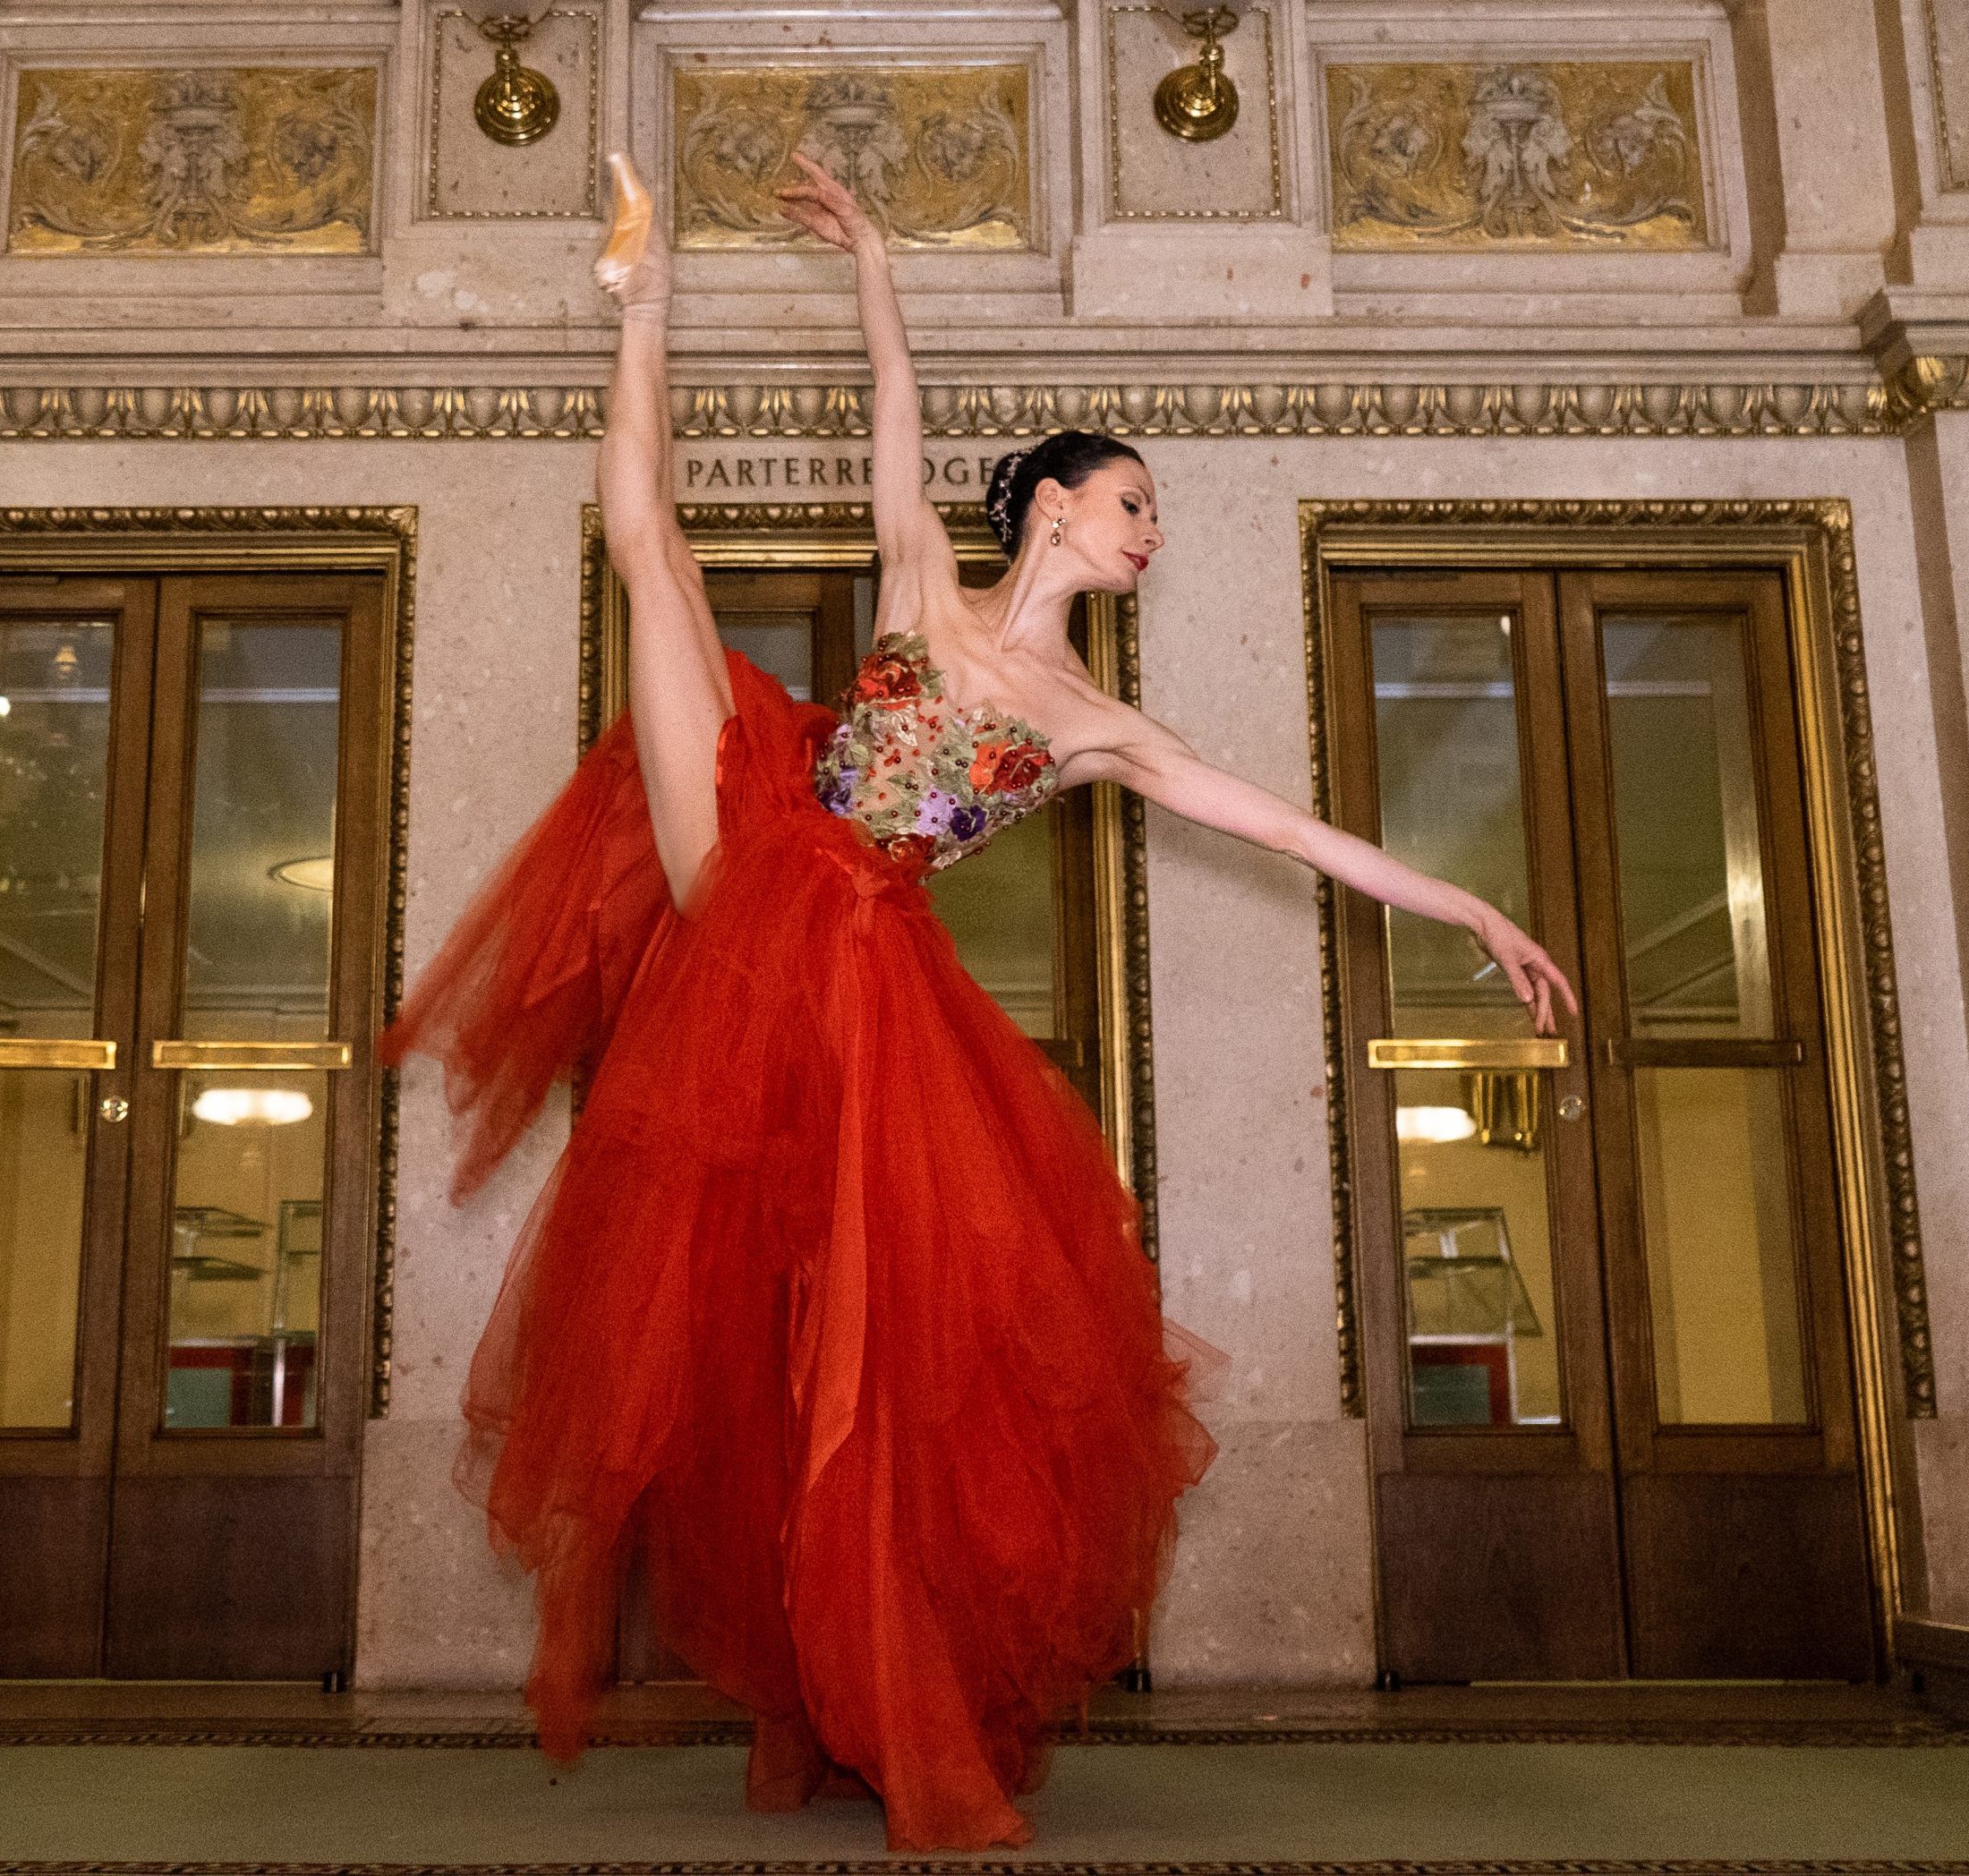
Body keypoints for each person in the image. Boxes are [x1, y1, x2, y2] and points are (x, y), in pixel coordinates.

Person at [383, 149, 1577, 1852]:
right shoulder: (924, 582)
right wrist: (875, 253)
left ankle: (882, 1677)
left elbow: (1288, 826)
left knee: (858, 1339)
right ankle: (640, 300)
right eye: (1134, 504)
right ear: (1059, 507)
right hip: (755, 836)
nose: (1151, 533)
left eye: (1154, 515)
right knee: (652, 563)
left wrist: (1468, 902)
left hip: (860, 958)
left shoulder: (1101, 724)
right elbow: (895, 395)